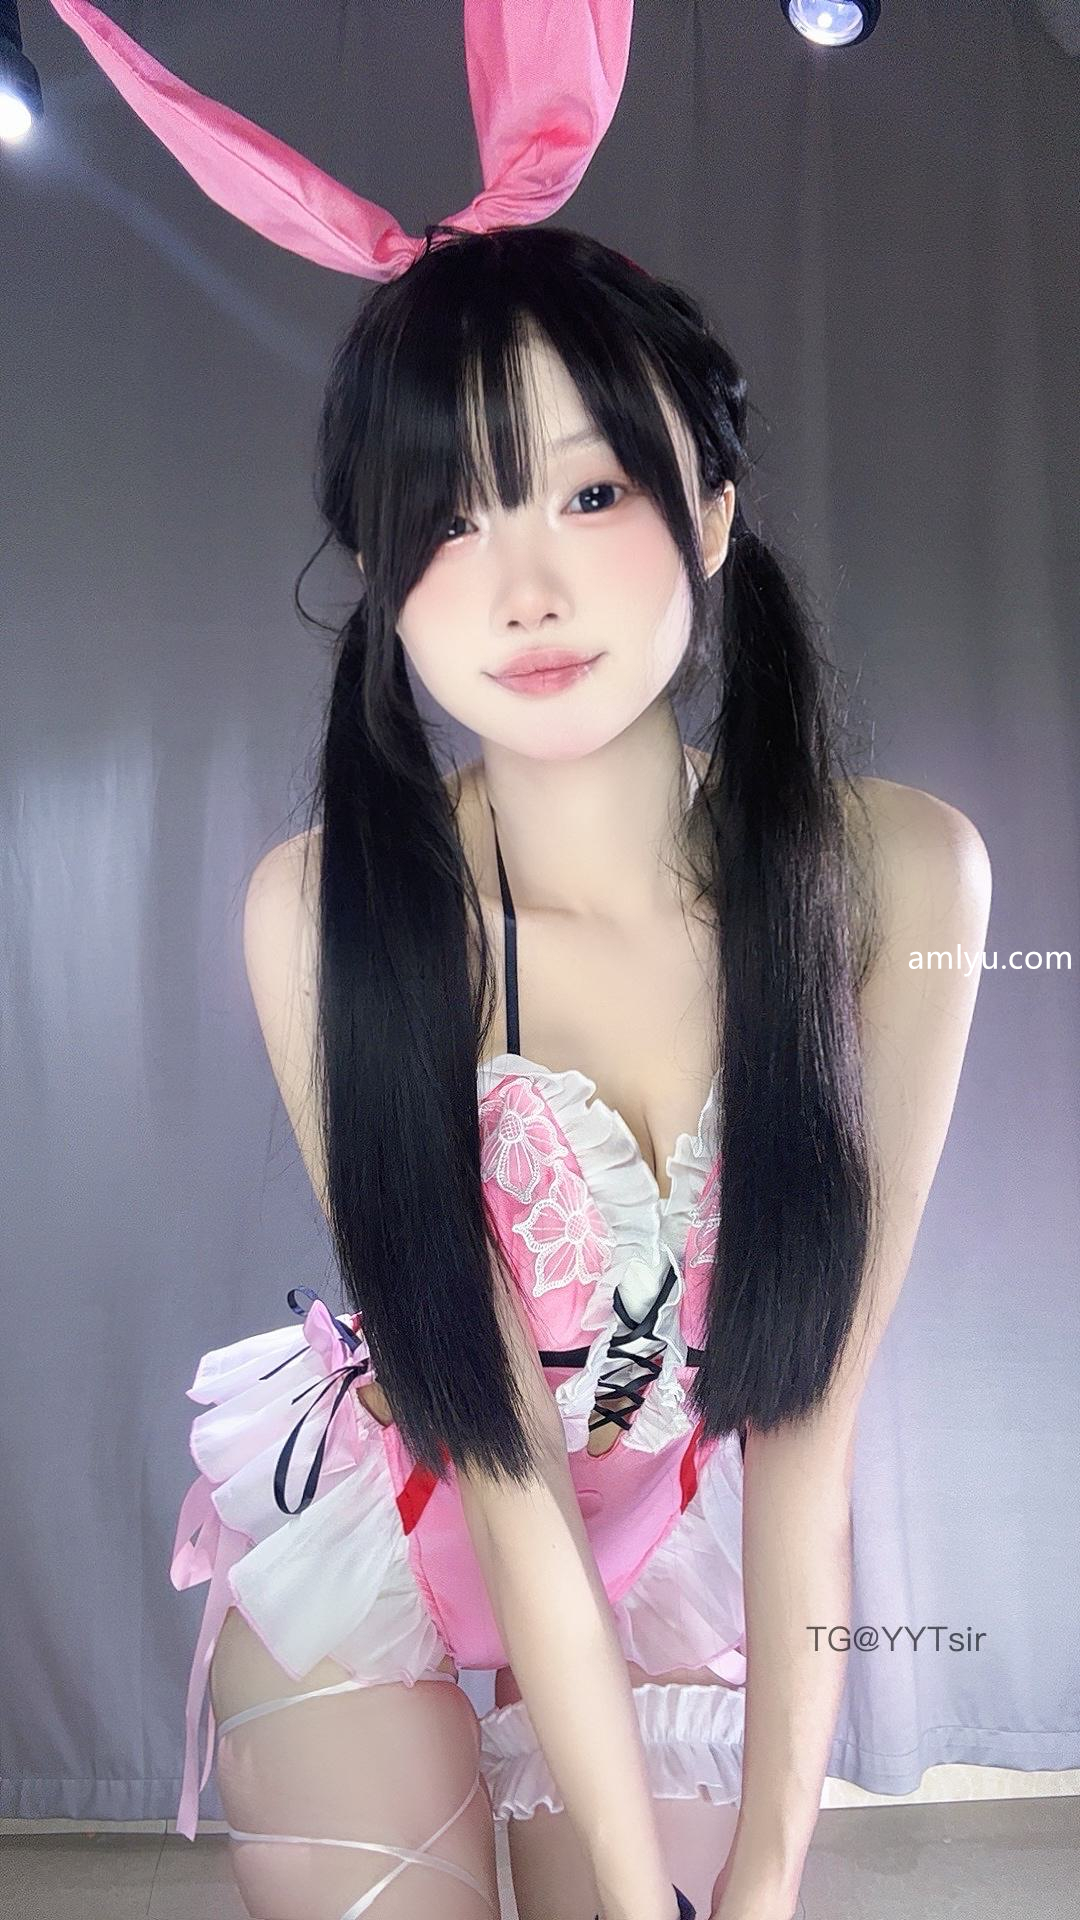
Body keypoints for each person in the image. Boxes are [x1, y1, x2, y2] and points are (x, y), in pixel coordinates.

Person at [50, 4, 992, 1916]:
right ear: (380, 574)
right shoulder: (327, 907)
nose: (527, 587)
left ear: (708, 510)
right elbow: (494, 1457)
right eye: (447, 519)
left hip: (675, 1539)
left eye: (589, 490)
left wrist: (766, 1880)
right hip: (413, 1509)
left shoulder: (898, 876)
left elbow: (810, 1422)